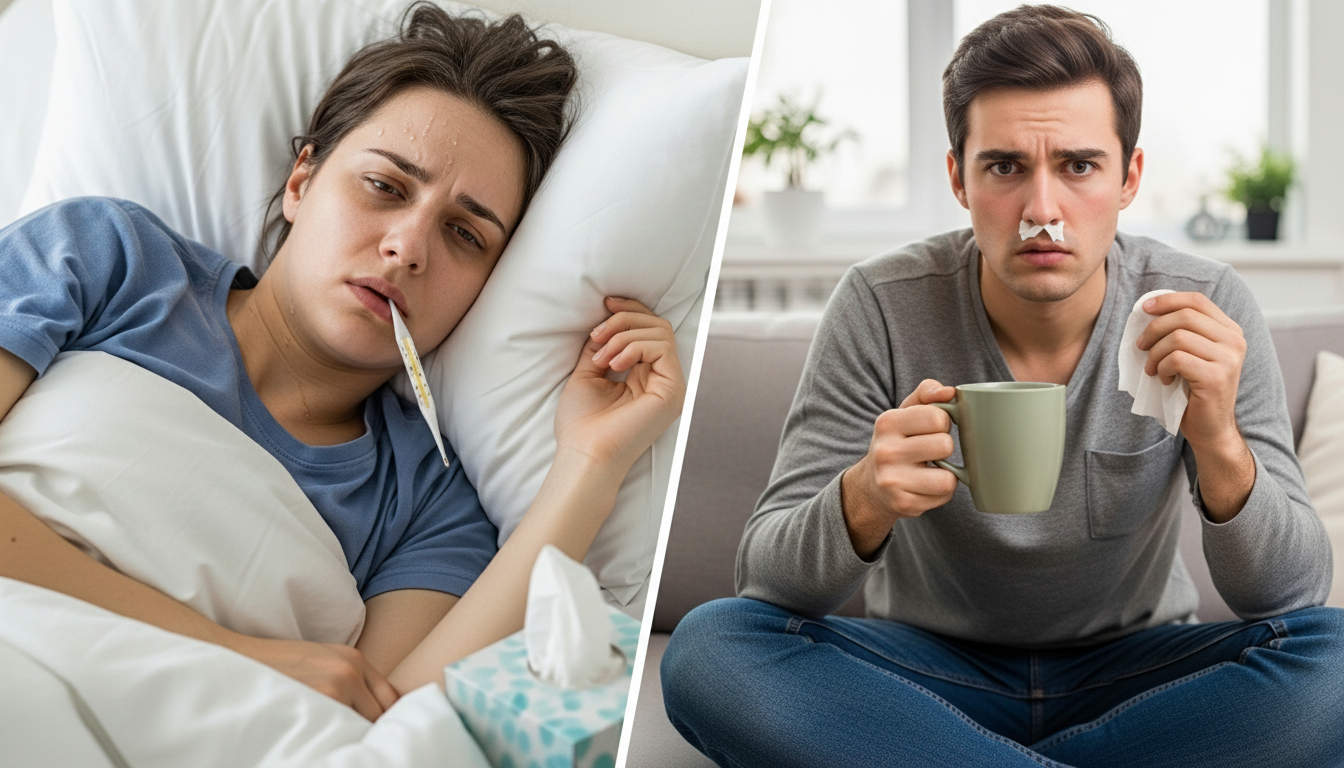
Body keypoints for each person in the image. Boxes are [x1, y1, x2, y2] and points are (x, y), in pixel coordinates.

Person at [661, 5, 1341, 766]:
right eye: (1005, 167)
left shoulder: (1201, 305)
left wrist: (1219, 440)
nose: (1041, 212)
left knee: (1338, 660)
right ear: (958, 177)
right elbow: (766, 577)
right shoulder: (881, 305)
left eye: (1079, 166)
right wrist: (861, 498)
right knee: (708, 647)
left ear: (1129, 178)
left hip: (1136, 671)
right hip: (925, 675)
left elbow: (1290, 595)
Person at [0, 4, 683, 723]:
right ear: (302, 181)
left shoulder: (430, 503)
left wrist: (590, 464)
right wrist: (232, 654)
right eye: (386, 187)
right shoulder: (108, 257)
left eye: (464, 234)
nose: (408, 247)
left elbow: (389, 729)